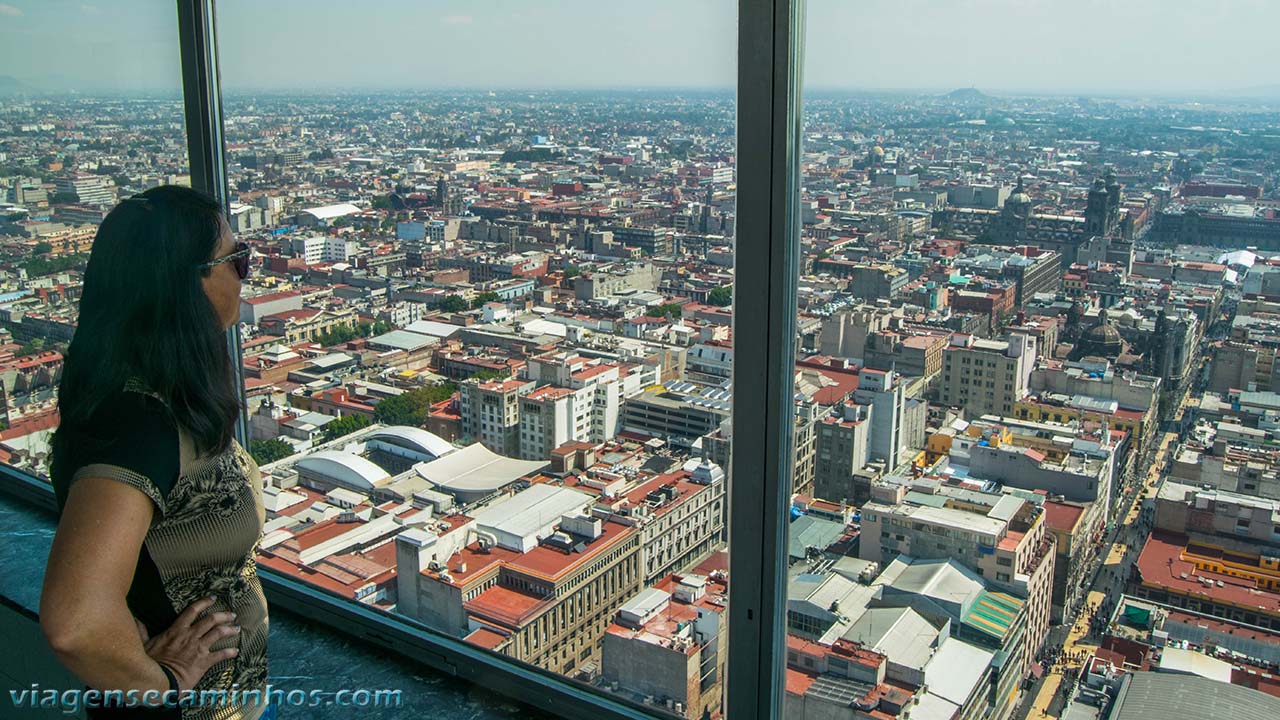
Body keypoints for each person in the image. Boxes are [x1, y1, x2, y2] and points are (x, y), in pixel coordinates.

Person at [40, 186, 271, 719]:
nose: (244, 275)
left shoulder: (151, 390)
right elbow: (73, 624)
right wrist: (163, 686)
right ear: (185, 283)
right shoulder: (140, 426)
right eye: (237, 260)